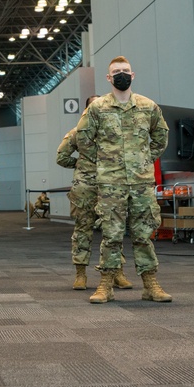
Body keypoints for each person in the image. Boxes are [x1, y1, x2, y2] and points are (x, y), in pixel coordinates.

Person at [75, 56, 172, 304]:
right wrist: (105, 162)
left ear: (133, 74)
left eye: (125, 70)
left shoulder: (148, 106)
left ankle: (151, 285)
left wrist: (142, 160)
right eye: (116, 71)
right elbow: (84, 141)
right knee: (111, 235)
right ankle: (106, 285)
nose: (122, 74)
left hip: (140, 182)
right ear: (108, 78)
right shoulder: (97, 108)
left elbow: (161, 137)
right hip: (111, 184)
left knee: (143, 235)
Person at [56, 95, 132, 291]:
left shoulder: (114, 134)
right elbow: (61, 157)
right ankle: (80, 274)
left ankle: (117, 272)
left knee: (114, 230)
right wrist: (83, 166)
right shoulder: (77, 133)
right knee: (83, 230)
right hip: (85, 188)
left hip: (110, 185)